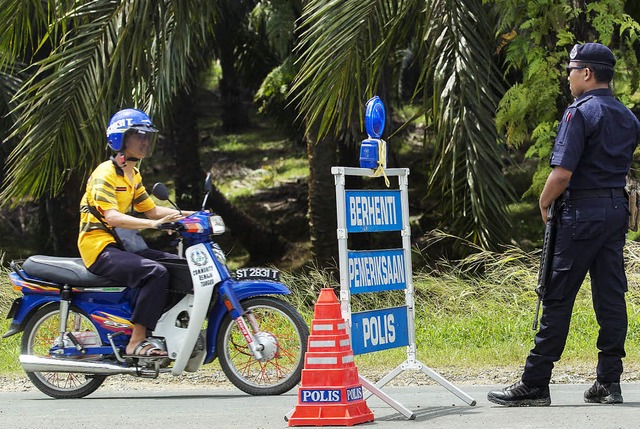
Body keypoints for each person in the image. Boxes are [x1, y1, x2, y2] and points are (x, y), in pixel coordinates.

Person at [488, 43, 640, 406]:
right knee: (610, 296)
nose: (568, 77)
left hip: (580, 215)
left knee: (556, 297)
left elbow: (562, 173)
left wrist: (544, 201)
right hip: (615, 210)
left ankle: (535, 383)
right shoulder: (628, 116)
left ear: (587, 73)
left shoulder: (580, 113)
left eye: (572, 70)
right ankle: (609, 382)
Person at [78, 108, 186, 357]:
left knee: (181, 267)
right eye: (138, 135)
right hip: (100, 248)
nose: (145, 141)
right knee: (155, 273)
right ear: (121, 138)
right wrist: (153, 226)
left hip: (123, 246)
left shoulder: (132, 173)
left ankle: (156, 329)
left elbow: (150, 210)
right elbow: (112, 217)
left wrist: (192, 216)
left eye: (147, 136)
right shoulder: (104, 173)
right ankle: (136, 341)